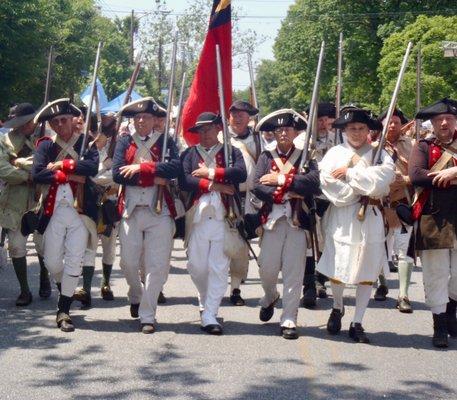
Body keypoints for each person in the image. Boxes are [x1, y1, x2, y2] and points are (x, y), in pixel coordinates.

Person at [316, 107, 395, 343]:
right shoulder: (333, 154)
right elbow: (329, 184)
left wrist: (350, 175)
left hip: (371, 214)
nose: (357, 133)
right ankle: (338, 306)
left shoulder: (380, 154)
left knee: (367, 269)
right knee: (338, 264)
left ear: (368, 130)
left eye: (361, 128)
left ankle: (357, 321)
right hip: (341, 214)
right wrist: (362, 186)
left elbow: (382, 184)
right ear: (344, 130)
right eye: (352, 128)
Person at [112, 97, 181, 334]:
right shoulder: (124, 142)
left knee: (157, 266)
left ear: (155, 120)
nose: (141, 121)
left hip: (158, 210)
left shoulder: (166, 142)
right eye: (137, 117)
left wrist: (142, 168)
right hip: (131, 208)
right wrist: (155, 176)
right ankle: (135, 294)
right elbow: (118, 174)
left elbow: (174, 169)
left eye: (147, 117)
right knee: (128, 263)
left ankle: (148, 315)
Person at [32, 98, 99, 332]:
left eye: (63, 120)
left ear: (72, 120)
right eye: (55, 121)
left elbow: (92, 169)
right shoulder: (46, 145)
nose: (60, 125)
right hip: (53, 211)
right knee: (51, 261)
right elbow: (38, 173)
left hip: (80, 212)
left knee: (74, 259)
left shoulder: (85, 143)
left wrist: (61, 166)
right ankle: (68, 289)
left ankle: (63, 310)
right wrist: (68, 175)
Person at [253, 109, 321, 340]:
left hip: (297, 222)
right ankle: (270, 295)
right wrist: (286, 193)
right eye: (279, 130)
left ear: (295, 132)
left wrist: (281, 179)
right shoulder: (266, 156)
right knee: (267, 270)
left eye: (287, 129)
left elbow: (313, 183)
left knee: (293, 273)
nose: (283, 133)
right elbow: (258, 184)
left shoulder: (305, 156)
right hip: (272, 220)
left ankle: (289, 318)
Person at [179, 112, 247, 335]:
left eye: (208, 129)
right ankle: (206, 300)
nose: (204, 134)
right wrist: (214, 185)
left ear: (218, 129)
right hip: (197, 217)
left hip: (223, 218)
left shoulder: (231, 152)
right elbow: (185, 179)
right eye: (201, 130)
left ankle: (210, 314)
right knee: (197, 267)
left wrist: (210, 172)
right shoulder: (189, 153)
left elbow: (240, 173)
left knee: (218, 268)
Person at [408, 98, 457, 348]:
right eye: (439, 120)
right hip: (433, 217)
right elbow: (416, 175)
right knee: (436, 275)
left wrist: (454, 172)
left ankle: (451, 313)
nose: (444, 123)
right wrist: (446, 176)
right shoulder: (424, 146)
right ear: (433, 124)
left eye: (448, 119)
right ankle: (439, 324)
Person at [0, 103, 51, 305]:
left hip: (42, 197)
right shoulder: (5, 140)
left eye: (26, 122)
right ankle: (24, 291)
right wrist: (27, 177)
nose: (22, 126)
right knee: (16, 247)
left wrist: (19, 162)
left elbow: (45, 164)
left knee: (43, 246)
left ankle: (44, 277)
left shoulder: (46, 138)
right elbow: (3, 169)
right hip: (15, 199)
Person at [73, 113, 119, 307]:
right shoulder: (86, 148)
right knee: (89, 246)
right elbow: (88, 171)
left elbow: (116, 175)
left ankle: (106, 283)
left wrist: (101, 175)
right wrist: (99, 174)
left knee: (109, 246)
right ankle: (86, 289)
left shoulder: (118, 147)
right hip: (90, 202)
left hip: (111, 201)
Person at [372, 108, 415, 313]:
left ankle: (404, 294)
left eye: (396, 122)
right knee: (379, 246)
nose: (392, 125)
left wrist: (405, 180)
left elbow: (419, 172)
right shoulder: (372, 148)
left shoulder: (412, 146)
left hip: (402, 203)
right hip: (379, 205)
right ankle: (382, 284)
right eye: (388, 122)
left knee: (404, 249)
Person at [301, 102, 337, 307]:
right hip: (308, 197)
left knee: (326, 240)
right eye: (319, 120)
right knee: (308, 241)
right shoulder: (302, 141)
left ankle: (321, 276)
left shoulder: (339, 141)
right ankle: (309, 284)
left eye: (326, 120)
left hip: (331, 197)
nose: (323, 124)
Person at [226, 100, 261, 306]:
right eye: (234, 113)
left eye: (242, 114)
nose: (238, 117)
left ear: (249, 118)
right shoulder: (220, 137)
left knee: (241, 245)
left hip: (249, 198)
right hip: (225, 195)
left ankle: (236, 288)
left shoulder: (258, 140)